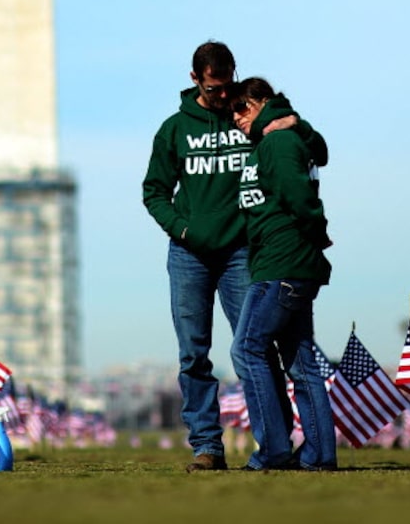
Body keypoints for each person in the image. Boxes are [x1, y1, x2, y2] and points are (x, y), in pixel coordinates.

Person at [142, 42, 328, 472]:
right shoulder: (174, 130)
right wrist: (183, 228)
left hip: (244, 254)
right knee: (194, 355)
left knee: (256, 351)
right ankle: (207, 447)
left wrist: (295, 122)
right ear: (194, 81)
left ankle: (275, 446)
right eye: (213, 89)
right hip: (189, 255)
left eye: (227, 87)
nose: (223, 97)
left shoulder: (250, 117)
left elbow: (312, 150)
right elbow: (153, 191)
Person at [228, 76, 336, 472]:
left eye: (242, 107)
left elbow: (300, 197)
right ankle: (321, 455)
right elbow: (319, 153)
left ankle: (273, 450)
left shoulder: (278, 141)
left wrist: (318, 234)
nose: (236, 117)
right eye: (232, 111)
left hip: (282, 264)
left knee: (247, 348)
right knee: (301, 361)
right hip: (286, 263)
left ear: (260, 102)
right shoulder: (276, 139)